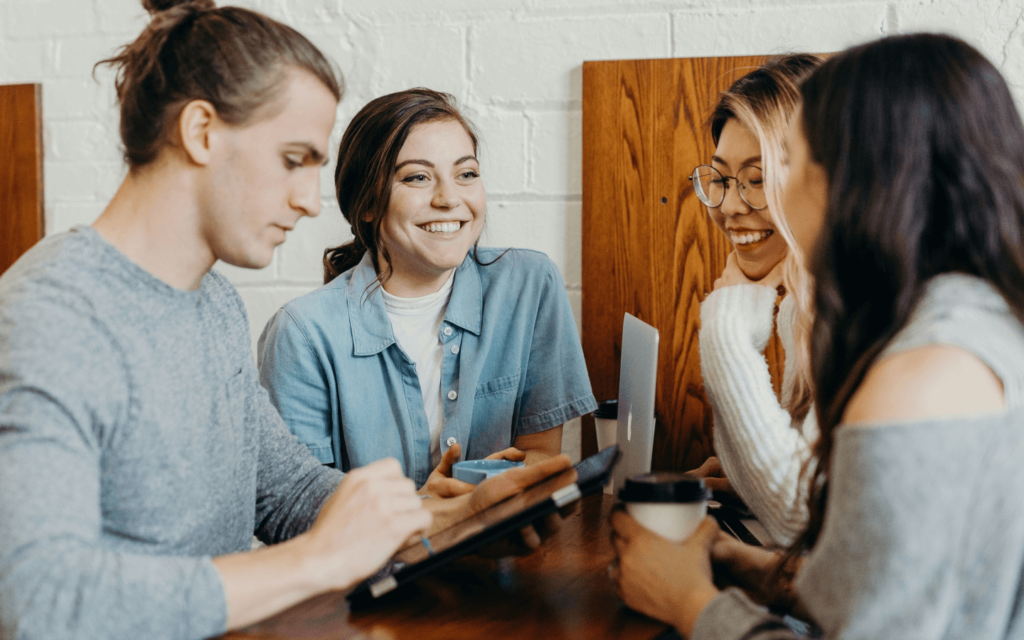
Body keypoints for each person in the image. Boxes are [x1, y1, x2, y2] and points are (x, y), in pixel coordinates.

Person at [0, 2, 570, 638]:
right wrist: (317, 560)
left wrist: (449, 524)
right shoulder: (51, 316)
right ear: (201, 132)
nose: (306, 199)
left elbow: (287, 494)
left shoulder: (211, 302)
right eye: (293, 159)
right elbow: (38, 601)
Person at [611, 33, 1024, 639]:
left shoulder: (920, 376)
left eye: (793, 160)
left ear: (858, 178)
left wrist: (691, 604)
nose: (747, 201)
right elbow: (895, 588)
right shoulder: (975, 323)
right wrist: (749, 568)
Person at [257, 88, 597, 493]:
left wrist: (492, 493)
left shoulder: (529, 285)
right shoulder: (301, 333)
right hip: (378, 556)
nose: (449, 198)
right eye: (417, 177)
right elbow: (300, 506)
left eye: (466, 174)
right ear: (366, 203)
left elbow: (541, 455)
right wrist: (431, 512)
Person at [690, 54, 823, 546]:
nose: (728, 205)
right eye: (722, 178)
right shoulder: (800, 306)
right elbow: (811, 496)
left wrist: (726, 324)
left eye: (758, 177)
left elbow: (798, 519)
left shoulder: (855, 309)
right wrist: (747, 477)